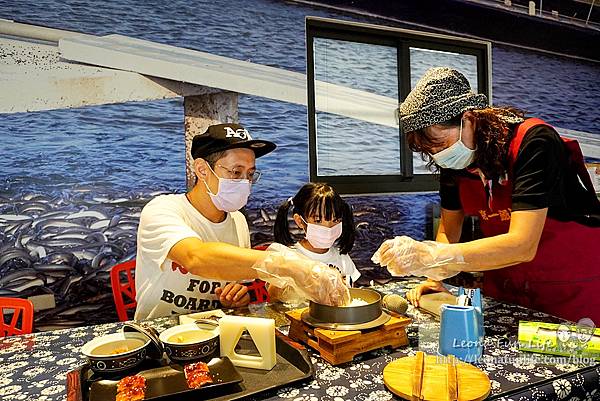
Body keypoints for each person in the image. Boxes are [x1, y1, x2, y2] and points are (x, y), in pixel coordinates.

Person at [372, 67, 600, 323]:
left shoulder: (534, 143)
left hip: (569, 282)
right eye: (430, 151)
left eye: (441, 145)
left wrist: (431, 257)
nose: (438, 155)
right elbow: (449, 229)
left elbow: (523, 244)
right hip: (508, 281)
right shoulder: (455, 164)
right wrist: (435, 277)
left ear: (468, 119)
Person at [134, 123, 350, 320]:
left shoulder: (238, 221)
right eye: (236, 172)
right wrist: (289, 264)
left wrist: (236, 299)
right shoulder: (162, 210)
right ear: (201, 169)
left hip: (212, 330)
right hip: (159, 332)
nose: (245, 182)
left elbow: (232, 284)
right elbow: (195, 257)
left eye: (250, 174)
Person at [273, 183, 360, 288]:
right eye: (318, 221)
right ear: (300, 221)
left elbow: (353, 291)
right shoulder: (288, 256)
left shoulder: (342, 257)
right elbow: (274, 293)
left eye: (336, 220)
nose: (328, 227)